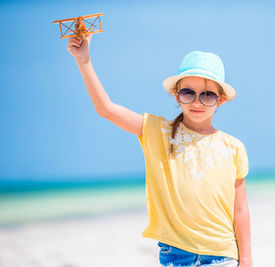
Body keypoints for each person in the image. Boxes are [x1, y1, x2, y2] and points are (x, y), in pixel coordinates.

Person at [67, 33, 252, 267]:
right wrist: (84, 60)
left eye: (207, 95)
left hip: (223, 256)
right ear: (176, 95)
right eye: (188, 93)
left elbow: (241, 210)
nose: (197, 101)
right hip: (177, 256)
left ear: (221, 99)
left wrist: (246, 260)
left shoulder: (233, 147)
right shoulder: (157, 132)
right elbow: (107, 109)